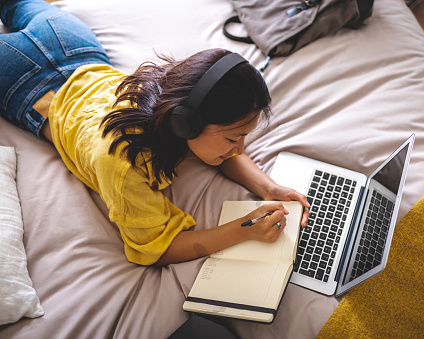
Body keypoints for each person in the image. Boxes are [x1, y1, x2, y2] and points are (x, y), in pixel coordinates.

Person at [0, 0, 310, 266]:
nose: (240, 150)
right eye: (233, 138)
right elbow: (157, 249)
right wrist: (245, 230)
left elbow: (219, 151)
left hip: (70, 43)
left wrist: (269, 187)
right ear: (187, 123)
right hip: (26, 84)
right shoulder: (122, 165)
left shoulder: (178, 97)